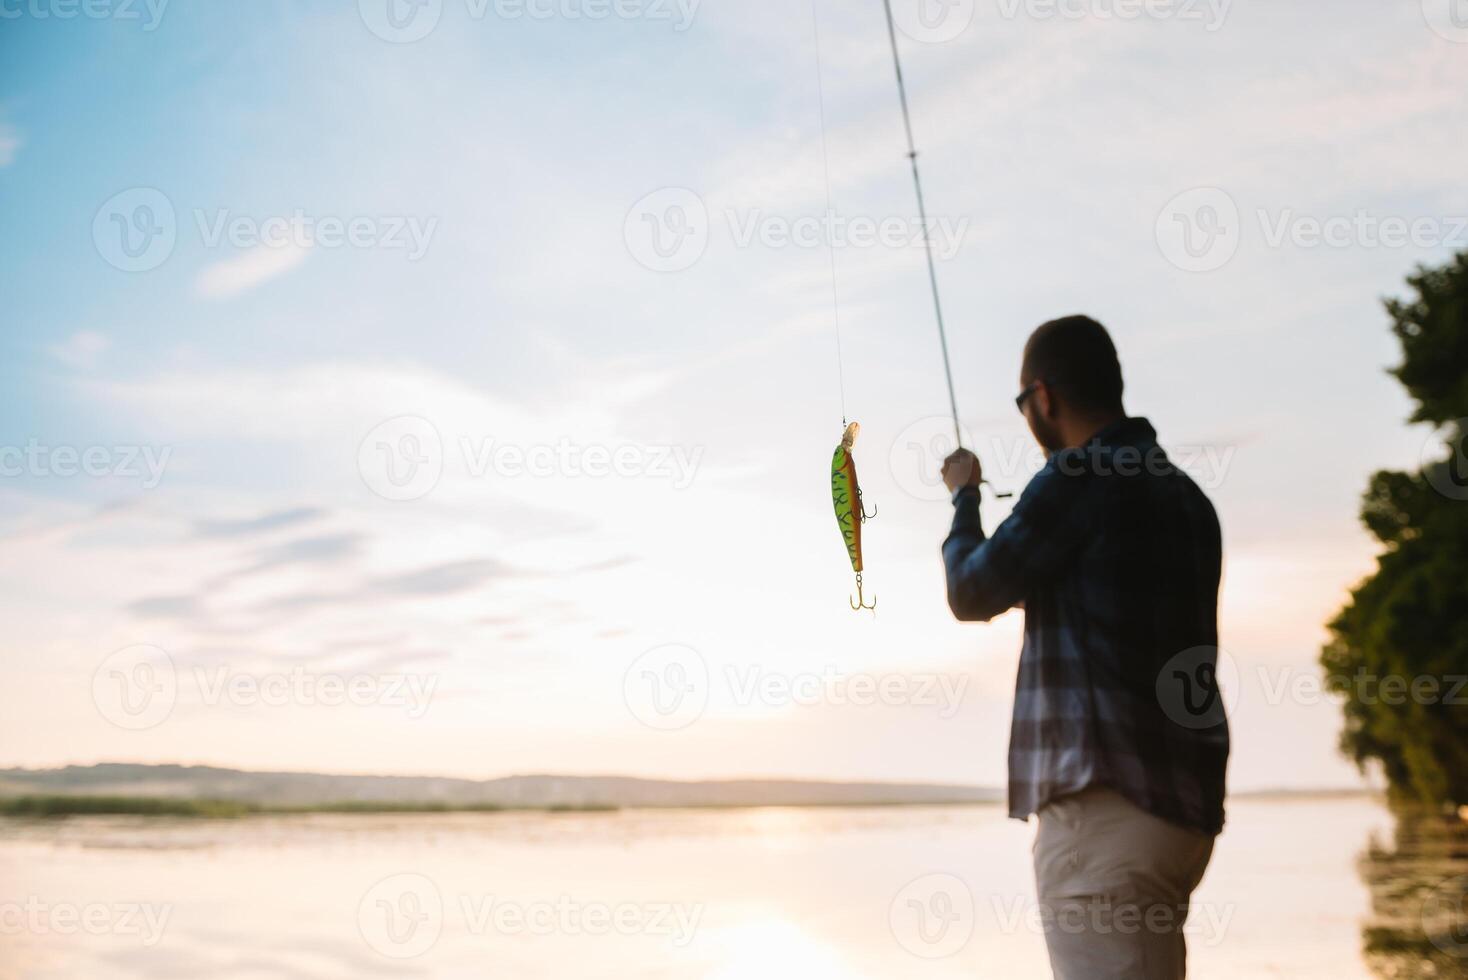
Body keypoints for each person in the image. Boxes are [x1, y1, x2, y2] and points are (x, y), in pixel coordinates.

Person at [940, 315, 1230, 980]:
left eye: (1024, 405)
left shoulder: (1078, 477)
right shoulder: (1188, 499)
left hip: (1105, 814)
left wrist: (965, 497)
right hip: (1182, 817)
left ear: (1043, 398)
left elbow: (971, 590)